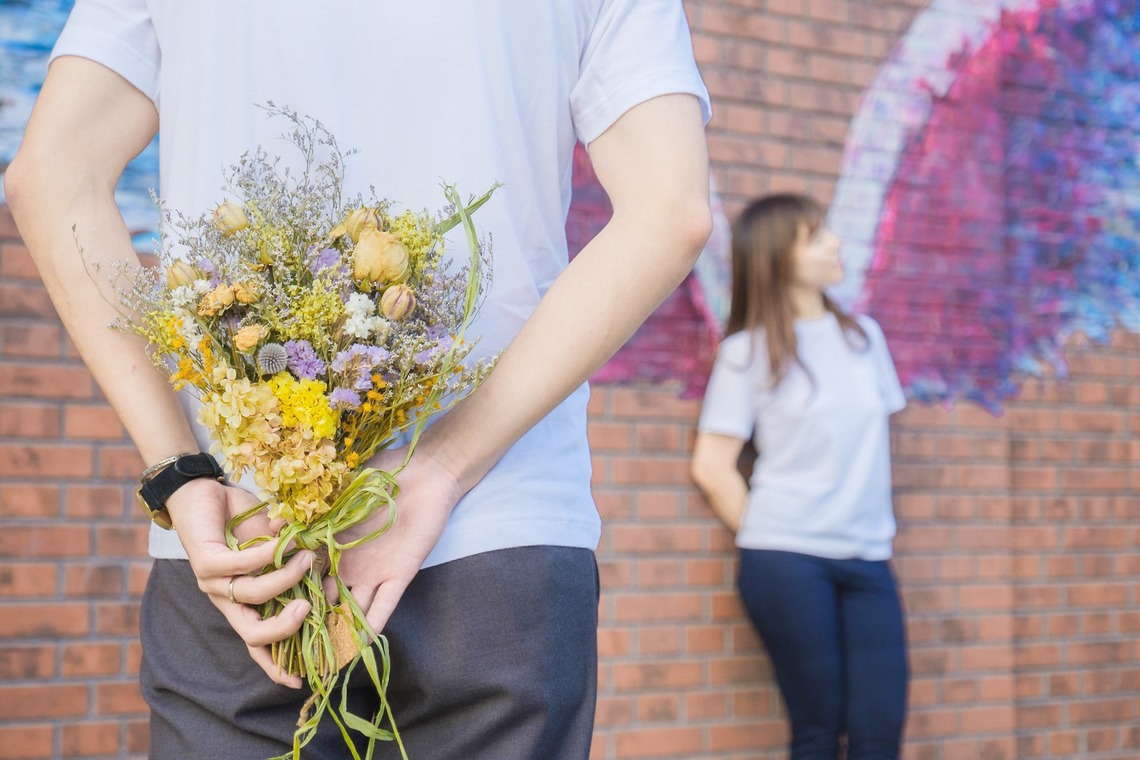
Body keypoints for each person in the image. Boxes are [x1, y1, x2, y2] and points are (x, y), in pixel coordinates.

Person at [6, 2, 712, 758]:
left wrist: (181, 472)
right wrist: (438, 467)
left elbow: (52, 176)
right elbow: (669, 211)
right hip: (497, 539)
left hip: (248, 547)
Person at [690, 194, 909, 759]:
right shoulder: (747, 353)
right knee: (817, 730)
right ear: (776, 256)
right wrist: (772, 536)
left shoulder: (864, 338)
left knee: (878, 733)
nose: (835, 243)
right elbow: (713, 467)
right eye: (816, 236)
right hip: (787, 558)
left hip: (868, 557)